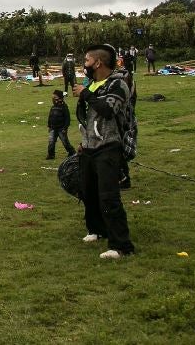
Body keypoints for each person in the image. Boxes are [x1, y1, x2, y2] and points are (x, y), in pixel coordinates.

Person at [71, 45, 135, 259]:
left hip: (109, 146)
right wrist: (84, 141)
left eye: (87, 60)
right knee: (88, 193)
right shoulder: (91, 85)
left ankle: (121, 245)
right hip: (89, 147)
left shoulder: (118, 84)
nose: (84, 65)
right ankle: (97, 229)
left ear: (98, 63)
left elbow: (108, 110)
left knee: (109, 197)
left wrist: (86, 94)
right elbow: (89, 118)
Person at [45, 90, 75, 160]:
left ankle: (72, 152)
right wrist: (49, 125)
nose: (54, 99)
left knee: (65, 142)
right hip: (53, 128)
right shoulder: (53, 107)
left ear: (60, 98)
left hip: (61, 129)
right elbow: (50, 116)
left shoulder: (64, 107)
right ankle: (51, 155)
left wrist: (65, 128)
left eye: (55, 97)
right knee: (51, 141)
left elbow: (67, 119)